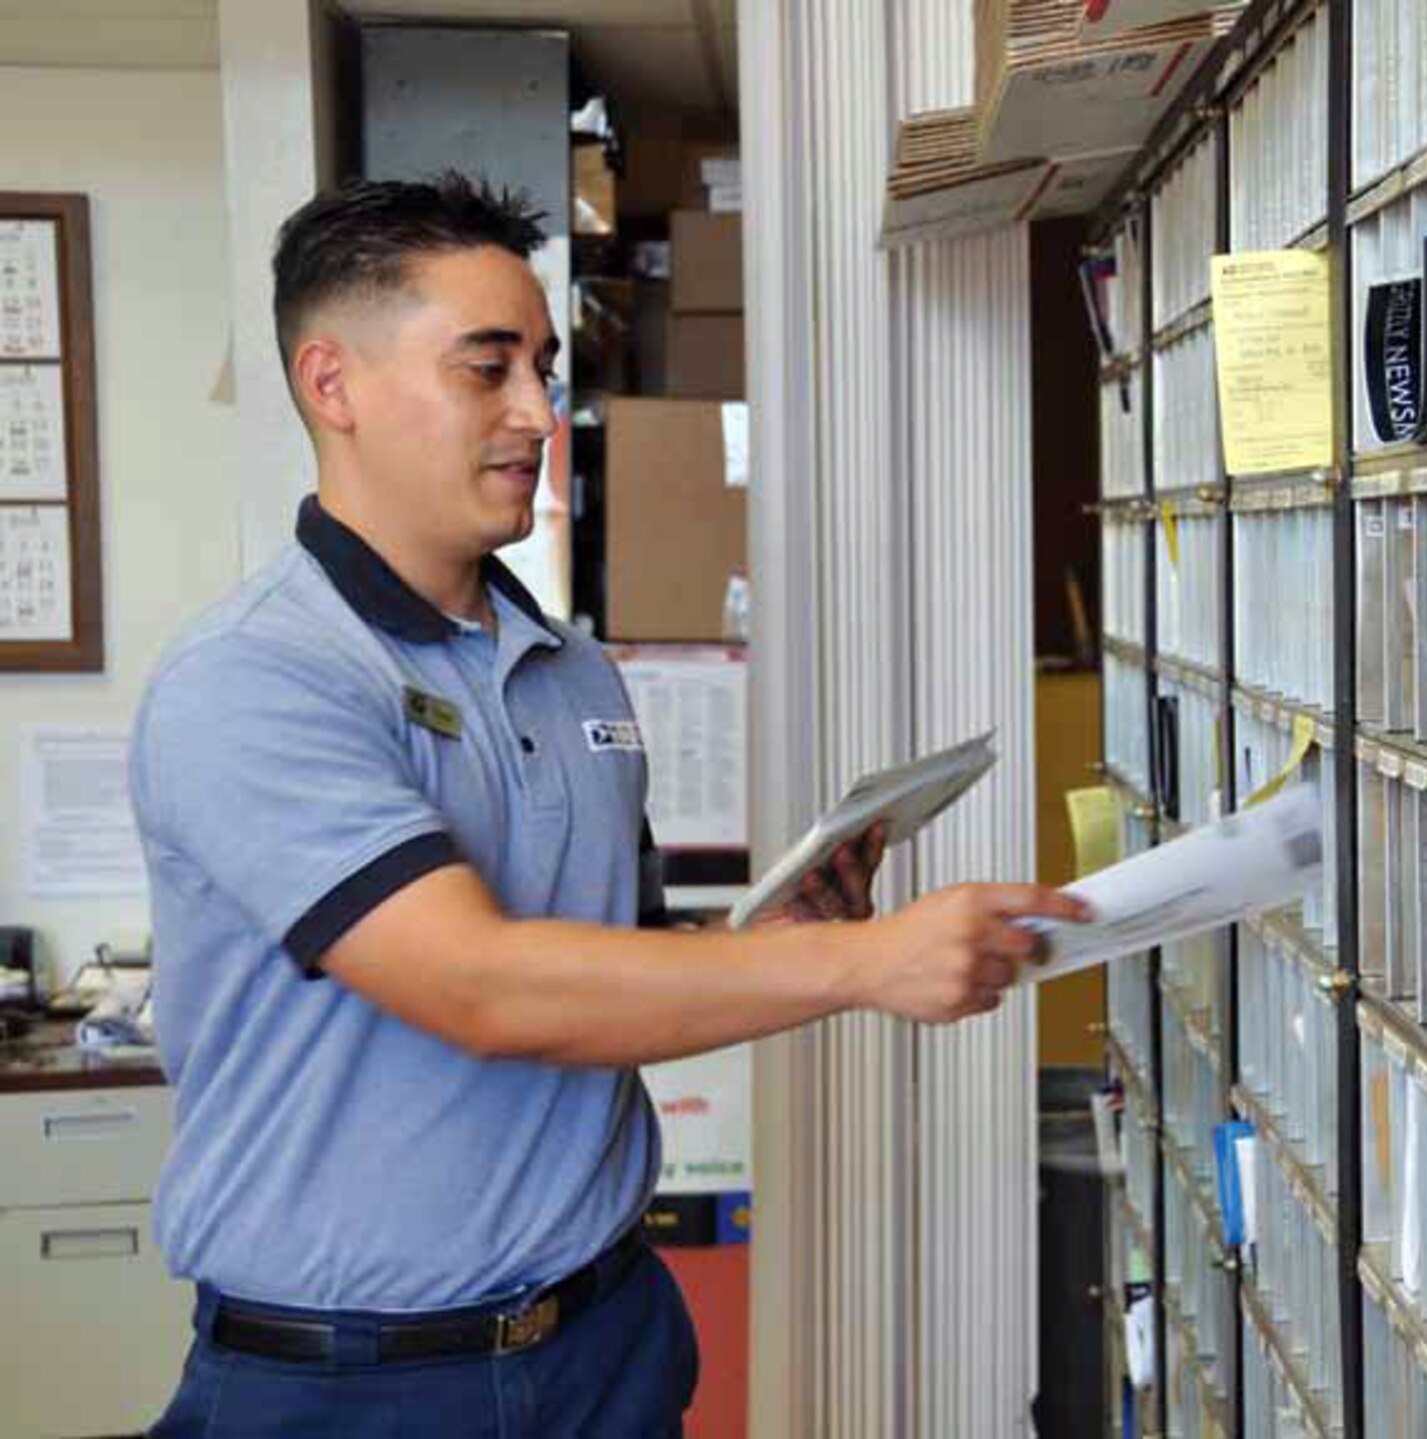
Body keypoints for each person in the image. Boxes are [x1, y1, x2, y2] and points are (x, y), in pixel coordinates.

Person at [132, 172, 1087, 1437]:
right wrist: (862, 964)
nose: (537, 411)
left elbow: (599, 980)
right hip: (357, 1383)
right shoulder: (257, 677)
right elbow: (483, 987)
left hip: (606, 1340)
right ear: (333, 384)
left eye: (540, 366)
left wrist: (765, 952)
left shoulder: (570, 667)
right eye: (487, 369)